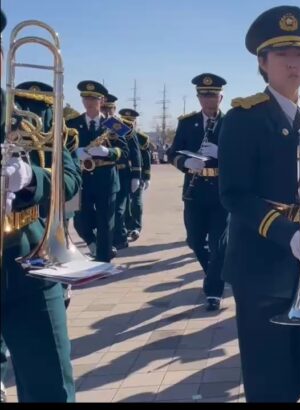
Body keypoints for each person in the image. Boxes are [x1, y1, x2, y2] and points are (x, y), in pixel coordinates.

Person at [218, 6, 300, 402]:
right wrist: (285, 231)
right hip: (261, 257)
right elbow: (234, 194)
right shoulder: (244, 117)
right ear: (263, 62)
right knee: (266, 367)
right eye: (282, 56)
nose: (294, 64)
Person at [1, 10, 80, 401]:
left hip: (27, 261)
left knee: (51, 386)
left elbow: (69, 179)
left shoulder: (35, 114)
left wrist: (31, 178)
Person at [166, 73, 228, 311]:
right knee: (194, 240)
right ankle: (215, 273)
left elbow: (245, 157)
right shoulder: (187, 122)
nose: (208, 99)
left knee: (217, 243)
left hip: (221, 191)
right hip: (195, 190)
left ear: (221, 97)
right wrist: (184, 163)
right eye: (203, 95)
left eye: (212, 95)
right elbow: (172, 154)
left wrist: (221, 152)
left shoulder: (231, 122)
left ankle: (213, 290)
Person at [66, 80, 129, 262]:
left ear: (101, 100)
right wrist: (74, 153)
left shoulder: (113, 124)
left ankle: (103, 259)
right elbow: (65, 151)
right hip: (82, 178)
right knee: (81, 220)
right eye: (86, 97)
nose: (89, 101)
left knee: (105, 222)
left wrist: (108, 152)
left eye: (94, 98)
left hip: (106, 178)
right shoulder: (72, 123)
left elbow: (124, 152)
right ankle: (93, 243)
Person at [111, 107, 142, 251]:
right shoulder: (94, 123)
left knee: (119, 208)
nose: (106, 111)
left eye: (109, 108)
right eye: (104, 108)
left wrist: (137, 175)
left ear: (113, 109)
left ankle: (120, 237)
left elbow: (135, 152)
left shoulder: (119, 126)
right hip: (101, 173)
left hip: (122, 172)